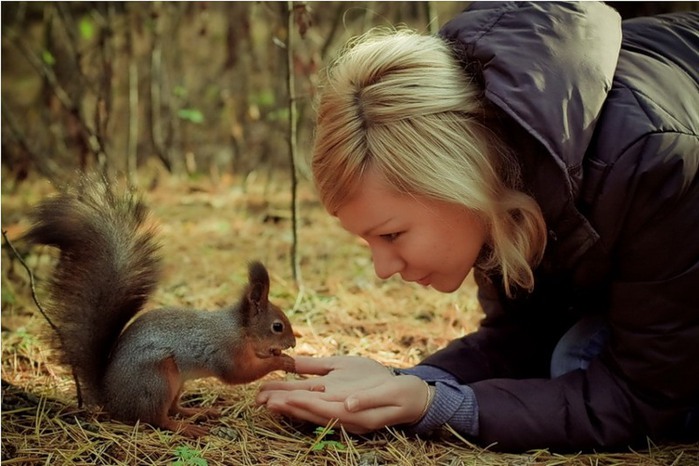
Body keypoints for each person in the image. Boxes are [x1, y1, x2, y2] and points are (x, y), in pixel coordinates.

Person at [256, 1, 699, 451]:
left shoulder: (653, 158)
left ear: (455, 181)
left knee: (575, 359)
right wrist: (406, 384)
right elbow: (522, 334)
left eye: (391, 234)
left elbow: (645, 395)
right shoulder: (503, 160)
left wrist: (440, 406)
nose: (383, 268)